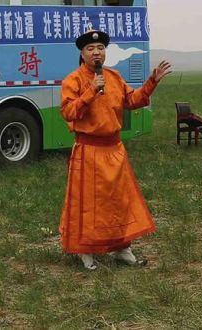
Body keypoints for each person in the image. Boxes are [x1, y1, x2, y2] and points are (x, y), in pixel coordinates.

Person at [58, 29, 172, 270]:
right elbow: (69, 112)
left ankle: (121, 247)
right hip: (89, 150)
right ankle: (84, 250)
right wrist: (90, 92)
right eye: (90, 49)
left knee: (118, 202)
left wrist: (151, 83)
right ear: (82, 53)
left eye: (100, 48)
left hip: (114, 149)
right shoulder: (73, 80)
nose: (96, 52)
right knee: (87, 203)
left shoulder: (115, 76)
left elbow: (132, 101)